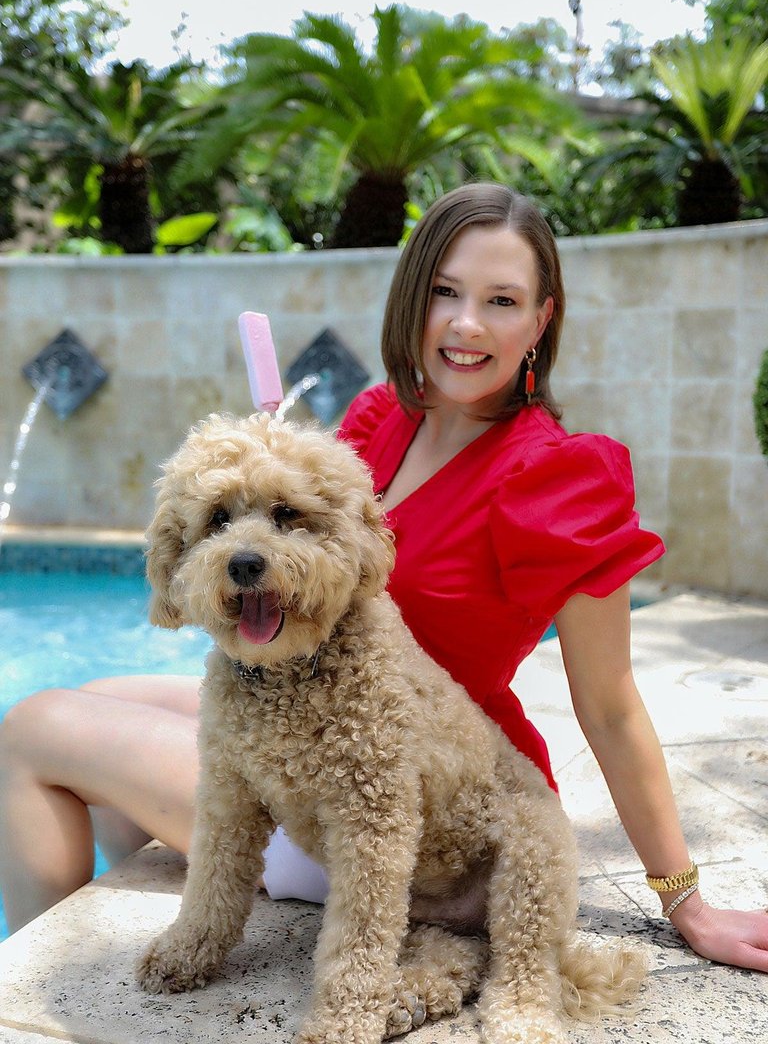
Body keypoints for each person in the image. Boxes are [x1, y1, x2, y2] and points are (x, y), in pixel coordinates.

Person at [0, 183, 766, 972]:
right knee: (98, 701)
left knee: (35, 727)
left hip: (399, 805)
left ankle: (29, 980)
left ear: (540, 321)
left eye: (501, 300)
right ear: (413, 298)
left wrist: (686, 899)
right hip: (313, 721)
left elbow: (608, 706)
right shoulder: (382, 418)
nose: (466, 324)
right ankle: (145, 920)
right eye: (445, 292)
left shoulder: (559, 476)